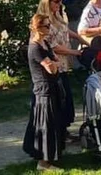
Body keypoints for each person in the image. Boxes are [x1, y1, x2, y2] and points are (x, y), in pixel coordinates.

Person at [34, 0, 83, 135]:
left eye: (60, 0)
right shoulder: (43, 21)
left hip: (63, 65)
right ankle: (59, 132)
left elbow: (65, 30)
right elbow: (53, 46)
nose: (59, 4)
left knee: (66, 100)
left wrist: (81, 39)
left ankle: (64, 131)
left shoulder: (57, 16)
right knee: (60, 101)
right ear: (47, 1)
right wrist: (75, 52)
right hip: (53, 67)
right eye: (56, 1)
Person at [24, 14, 64, 170]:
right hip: (43, 90)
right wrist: (54, 64)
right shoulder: (35, 48)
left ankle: (50, 157)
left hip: (52, 86)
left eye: (49, 25)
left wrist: (54, 63)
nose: (49, 28)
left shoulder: (45, 43)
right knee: (45, 126)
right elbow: (51, 67)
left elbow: (56, 63)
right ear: (37, 28)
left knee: (53, 123)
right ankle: (43, 162)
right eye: (46, 26)